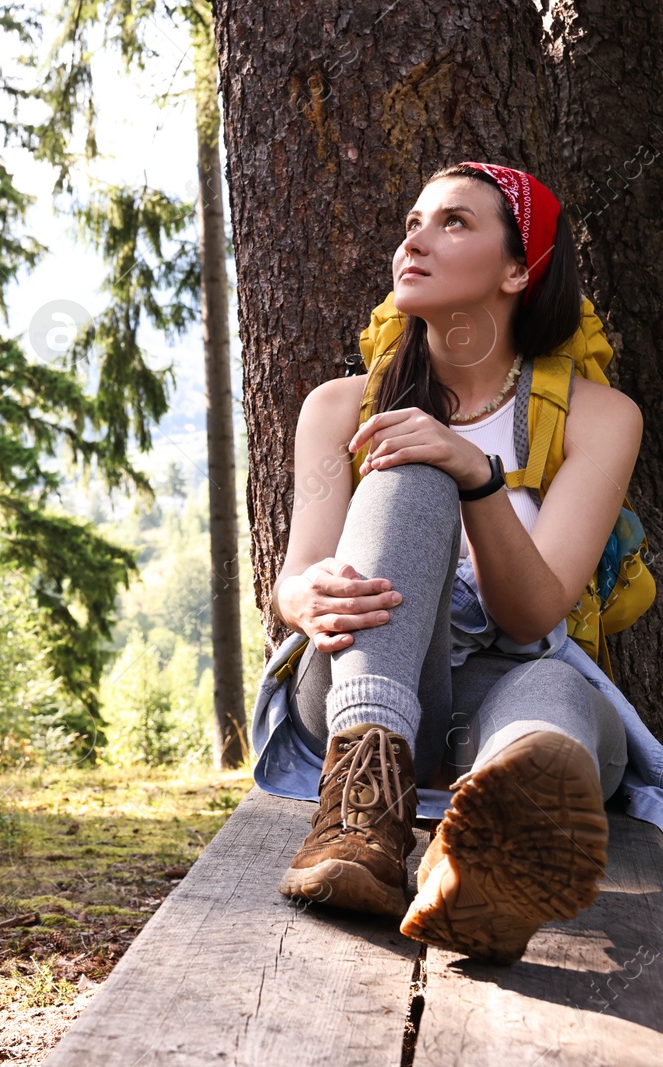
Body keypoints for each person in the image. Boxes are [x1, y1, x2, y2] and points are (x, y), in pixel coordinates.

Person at [258, 162, 648, 965]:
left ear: (518, 270)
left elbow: (533, 614)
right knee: (409, 468)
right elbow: (290, 579)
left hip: (504, 687)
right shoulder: (340, 407)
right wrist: (306, 597)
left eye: (455, 222)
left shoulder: (599, 417)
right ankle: (361, 821)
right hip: (360, 682)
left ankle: (483, 864)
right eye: (413, 222)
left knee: (554, 701)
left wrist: (480, 476)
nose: (416, 239)